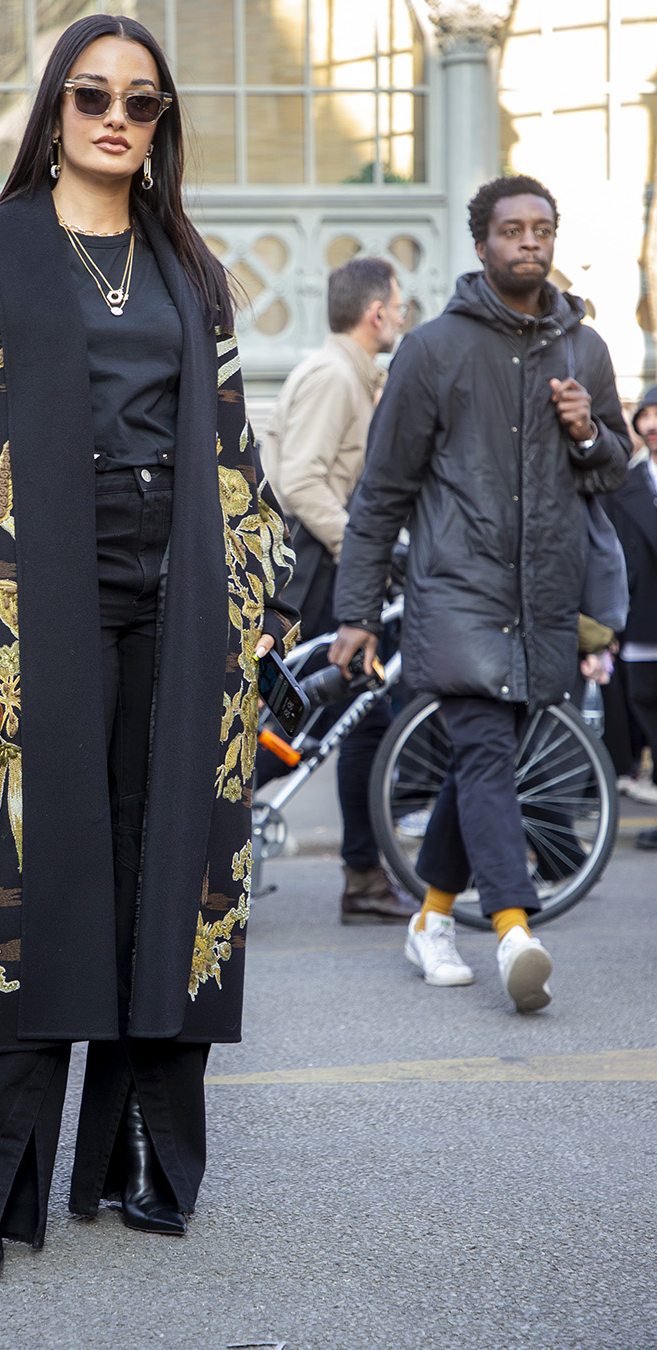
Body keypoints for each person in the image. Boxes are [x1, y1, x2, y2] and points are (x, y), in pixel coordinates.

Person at [0, 13, 298, 1277]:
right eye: (90, 95)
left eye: (142, 101)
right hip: (22, 594)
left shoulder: (187, 269)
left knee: (156, 863)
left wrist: (261, 592)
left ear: (162, 125)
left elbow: (230, 454)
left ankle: (137, 1165)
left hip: (176, 597)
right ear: (54, 112)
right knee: (22, 871)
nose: (116, 117)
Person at [329, 174, 629, 1013]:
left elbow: (615, 471)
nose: (528, 242)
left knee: (480, 759)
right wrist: (355, 612)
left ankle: (430, 918)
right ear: (481, 242)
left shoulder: (587, 349)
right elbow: (382, 490)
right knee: (488, 752)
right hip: (456, 588)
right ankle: (511, 931)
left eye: (542, 228)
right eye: (511, 230)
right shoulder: (433, 350)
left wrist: (590, 429)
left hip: (544, 593)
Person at [261, 257, 418, 924]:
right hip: (316, 576)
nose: (404, 317)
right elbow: (301, 482)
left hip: (323, 570)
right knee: (308, 723)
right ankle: (360, 877)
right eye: (400, 306)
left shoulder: (355, 377)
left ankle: (363, 876)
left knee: (348, 722)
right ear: (376, 312)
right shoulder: (333, 377)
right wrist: (365, 554)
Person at [605, 385, 657, 847]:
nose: (653, 425)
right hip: (642, 624)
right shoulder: (628, 484)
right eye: (647, 416)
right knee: (647, 708)